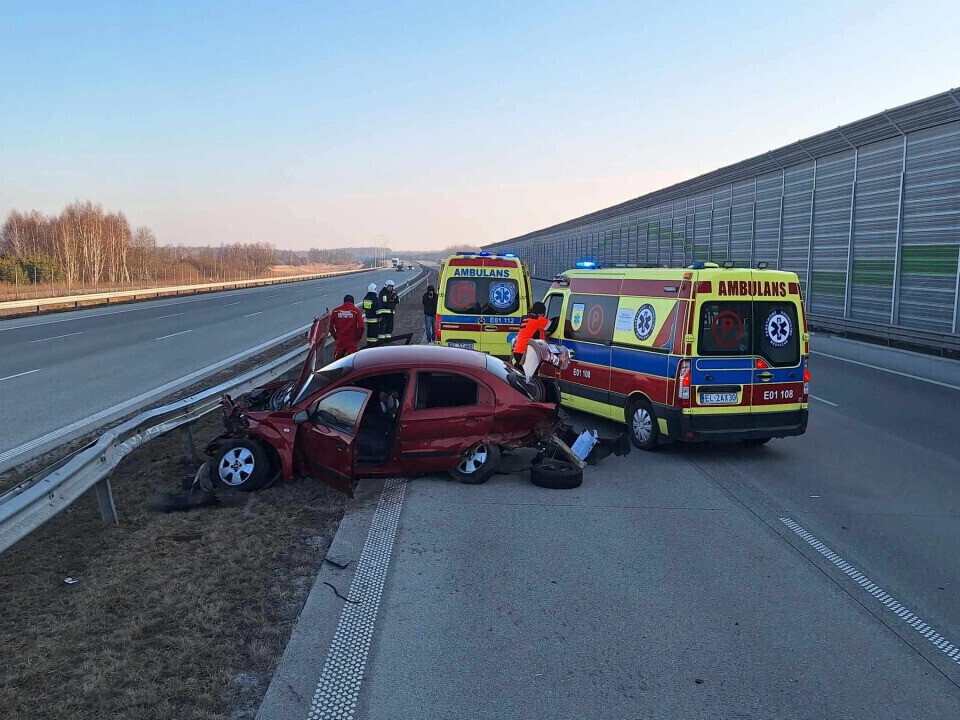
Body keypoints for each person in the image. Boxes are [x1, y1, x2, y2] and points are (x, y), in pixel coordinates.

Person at [512, 301, 551, 367]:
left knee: (521, 372)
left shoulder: (525, 319)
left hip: (518, 350)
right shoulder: (538, 320)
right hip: (526, 353)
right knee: (529, 374)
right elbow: (551, 326)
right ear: (541, 313)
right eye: (544, 314)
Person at [330, 294, 365, 360]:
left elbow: (330, 326)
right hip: (351, 340)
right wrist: (358, 337)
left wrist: (335, 336)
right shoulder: (356, 311)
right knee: (353, 361)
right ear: (353, 302)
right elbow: (361, 326)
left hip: (340, 340)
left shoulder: (336, 311)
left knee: (337, 362)